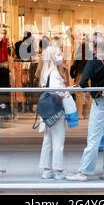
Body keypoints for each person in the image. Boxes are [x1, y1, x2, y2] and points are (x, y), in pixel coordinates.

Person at [66, 37, 104, 181]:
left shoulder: (92, 61)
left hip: (102, 101)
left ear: (94, 48)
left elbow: (83, 83)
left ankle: (84, 171)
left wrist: (86, 91)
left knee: (94, 138)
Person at [39, 45, 74, 180]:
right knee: (58, 141)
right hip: (56, 111)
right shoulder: (54, 73)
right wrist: (68, 90)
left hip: (47, 112)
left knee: (47, 140)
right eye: (58, 54)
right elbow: (58, 92)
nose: (61, 56)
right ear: (52, 57)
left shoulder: (45, 72)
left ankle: (47, 170)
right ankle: (58, 170)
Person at [70, 41, 93, 119]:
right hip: (89, 76)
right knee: (88, 94)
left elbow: (73, 66)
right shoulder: (91, 55)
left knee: (79, 95)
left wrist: (73, 75)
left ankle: (79, 114)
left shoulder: (78, 54)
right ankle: (87, 113)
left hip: (79, 76)